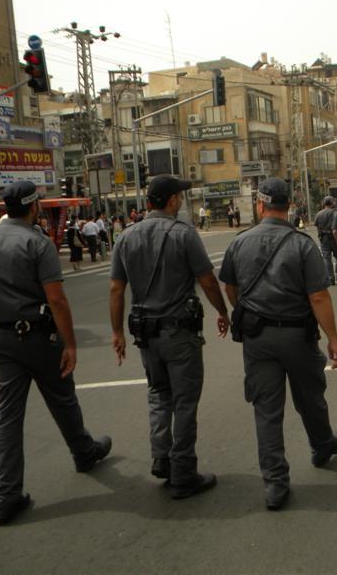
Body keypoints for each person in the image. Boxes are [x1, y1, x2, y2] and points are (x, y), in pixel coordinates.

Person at [0, 181, 111, 525]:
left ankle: (7, 496)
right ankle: (83, 452)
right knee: (62, 397)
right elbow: (57, 299)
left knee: (6, 417)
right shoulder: (37, 243)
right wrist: (71, 344)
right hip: (37, 336)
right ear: (34, 207)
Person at [219, 177, 337, 510]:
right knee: (310, 397)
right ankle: (322, 445)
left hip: (257, 338)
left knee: (266, 410)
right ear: (289, 206)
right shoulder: (302, 244)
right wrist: (333, 339)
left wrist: (244, 311)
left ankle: (275, 484)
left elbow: (231, 288)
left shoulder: (239, 242)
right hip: (297, 336)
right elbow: (318, 295)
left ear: (260, 205)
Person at [110, 175, 231, 499]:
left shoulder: (126, 237)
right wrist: (223, 312)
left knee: (159, 394)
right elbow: (206, 280)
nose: (182, 201)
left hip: (146, 335)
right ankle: (183, 472)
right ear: (173, 200)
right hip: (179, 333)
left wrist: (117, 332)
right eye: (181, 196)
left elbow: (116, 289)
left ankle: (162, 458)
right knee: (185, 401)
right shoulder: (183, 234)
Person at [314, 196, 337, 286]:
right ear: (332, 203)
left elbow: (318, 227)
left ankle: (330, 278)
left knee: (327, 258)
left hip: (324, 238)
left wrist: (320, 237)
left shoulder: (319, 214)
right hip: (335, 237)